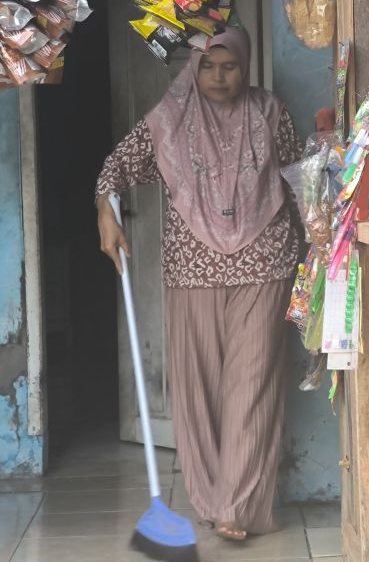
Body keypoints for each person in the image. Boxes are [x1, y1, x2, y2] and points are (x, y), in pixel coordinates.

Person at [95, 29, 303, 542]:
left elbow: (300, 176)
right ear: (193, 67)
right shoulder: (170, 118)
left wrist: (324, 241)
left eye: (229, 66)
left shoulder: (271, 113)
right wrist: (106, 212)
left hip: (265, 262)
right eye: (208, 66)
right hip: (193, 268)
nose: (218, 77)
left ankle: (239, 506)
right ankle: (211, 502)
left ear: (246, 66)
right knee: (199, 387)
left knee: (252, 383)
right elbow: (115, 169)